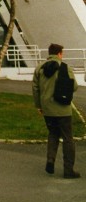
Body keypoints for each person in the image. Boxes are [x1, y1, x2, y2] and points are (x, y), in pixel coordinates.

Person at [32, 43, 80, 178]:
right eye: (62, 53)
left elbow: (35, 89)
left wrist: (39, 106)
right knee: (67, 138)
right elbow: (74, 87)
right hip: (63, 109)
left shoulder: (39, 68)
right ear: (59, 53)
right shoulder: (65, 67)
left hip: (47, 108)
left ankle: (50, 160)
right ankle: (68, 170)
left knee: (53, 134)